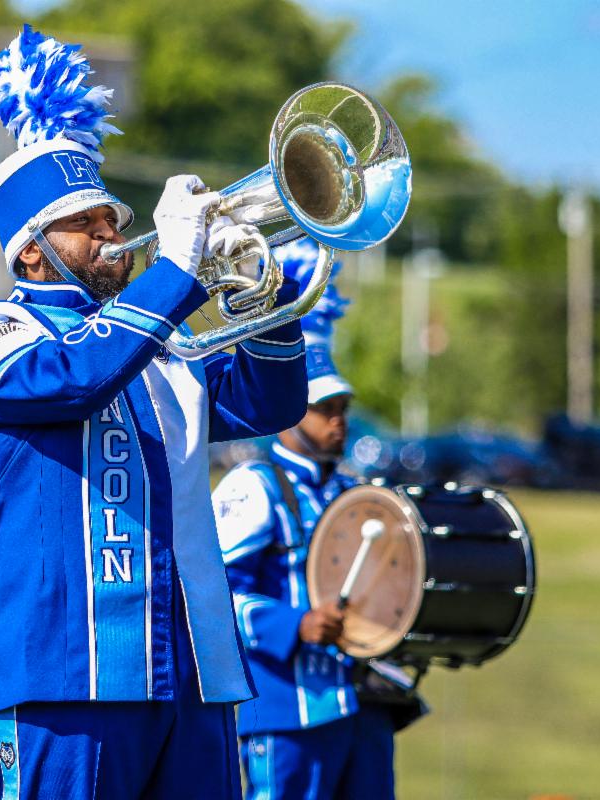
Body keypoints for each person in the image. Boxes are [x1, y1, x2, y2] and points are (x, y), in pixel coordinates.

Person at [0, 26, 309, 800]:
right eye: (88, 225)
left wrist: (269, 300)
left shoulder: (160, 339)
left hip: (190, 675)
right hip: (64, 674)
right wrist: (179, 270)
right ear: (29, 253)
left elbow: (272, 403)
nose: (113, 237)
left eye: (114, 221)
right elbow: (77, 376)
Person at [212, 239, 424, 800]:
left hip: (364, 710)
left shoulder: (359, 493)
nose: (338, 421)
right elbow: (210, 598)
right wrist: (295, 625)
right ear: (288, 410)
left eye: (343, 409)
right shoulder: (251, 486)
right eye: (323, 407)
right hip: (287, 714)